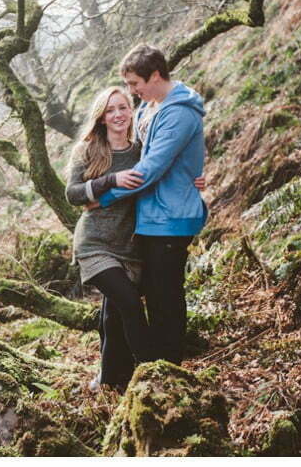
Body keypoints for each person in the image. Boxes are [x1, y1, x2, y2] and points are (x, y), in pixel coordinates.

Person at [94, 43, 207, 366]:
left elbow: (152, 166)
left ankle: (169, 370)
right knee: (124, 297)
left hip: (170, 218)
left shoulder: (180, 112)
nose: (132, 92)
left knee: (164, 299)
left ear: (156, 75)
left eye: (135, 84)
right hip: (147, 216)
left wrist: (102, 197)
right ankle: (118, 370)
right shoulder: (148, 107)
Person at [65, 86, 149, 391]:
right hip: (95, 245)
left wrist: (194, 178)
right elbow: (73, 194)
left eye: (122, 108)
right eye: (110, 110)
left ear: (131, 111)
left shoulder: (141, 150)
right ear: (101, 118)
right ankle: (154, 372)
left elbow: (162, 173)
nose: (118, 115)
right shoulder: (88, 151)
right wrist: (110, 181)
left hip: (129, 247)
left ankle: (111, 381)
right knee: (130, 304)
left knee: (113, 317)